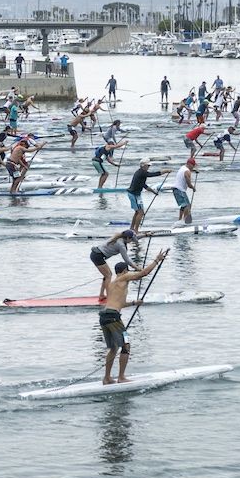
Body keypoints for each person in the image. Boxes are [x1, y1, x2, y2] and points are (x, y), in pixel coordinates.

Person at [100, 250, 168, 385]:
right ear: (124, 271)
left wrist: (133, 303)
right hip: (114, 318)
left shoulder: (112, 284)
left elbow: (118, 303)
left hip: (104, 316)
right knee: (126, 345)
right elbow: (143, 274)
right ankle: (121, 377)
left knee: (113, 348)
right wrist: (156, 260)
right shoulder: (124, 277)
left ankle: (107, 378)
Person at [91, 229, 138, 300]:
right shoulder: (121, 245)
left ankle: (101, 295)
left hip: (96, 254)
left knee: (107, 275)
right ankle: (109, 297)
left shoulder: (120, 237)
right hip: (97, 256)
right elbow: (127, 260)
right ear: (128, 238)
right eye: (131, 239)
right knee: (108, 275)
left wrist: (146, 235)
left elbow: (136, 238)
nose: (132, 241)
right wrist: (137, 268)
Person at [127, 158, 168, 231]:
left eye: (149, 166)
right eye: (147, 165)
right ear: (143, 165)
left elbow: (144, 185)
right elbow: (152, 174)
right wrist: (164, 171)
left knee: (138, 212)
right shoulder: (142, 172)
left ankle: (132, 228)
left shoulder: (141, 173)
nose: (148, 167)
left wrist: (153, 192)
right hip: (133, 194)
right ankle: (136, 231)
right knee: (140, 212)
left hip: (137, 194)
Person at [172, 158, 198, 224]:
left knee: (184, 205)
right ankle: (184, 221)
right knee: (187, 205)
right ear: (189, 164)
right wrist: (193, 188)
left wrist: (194, 170)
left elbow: (187, 171)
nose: (193, 167)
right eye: (193, 165)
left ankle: (180, 220)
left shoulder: (183, 167)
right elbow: (189, 184)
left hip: (177, 189)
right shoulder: (187, 171)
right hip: (179, 190)